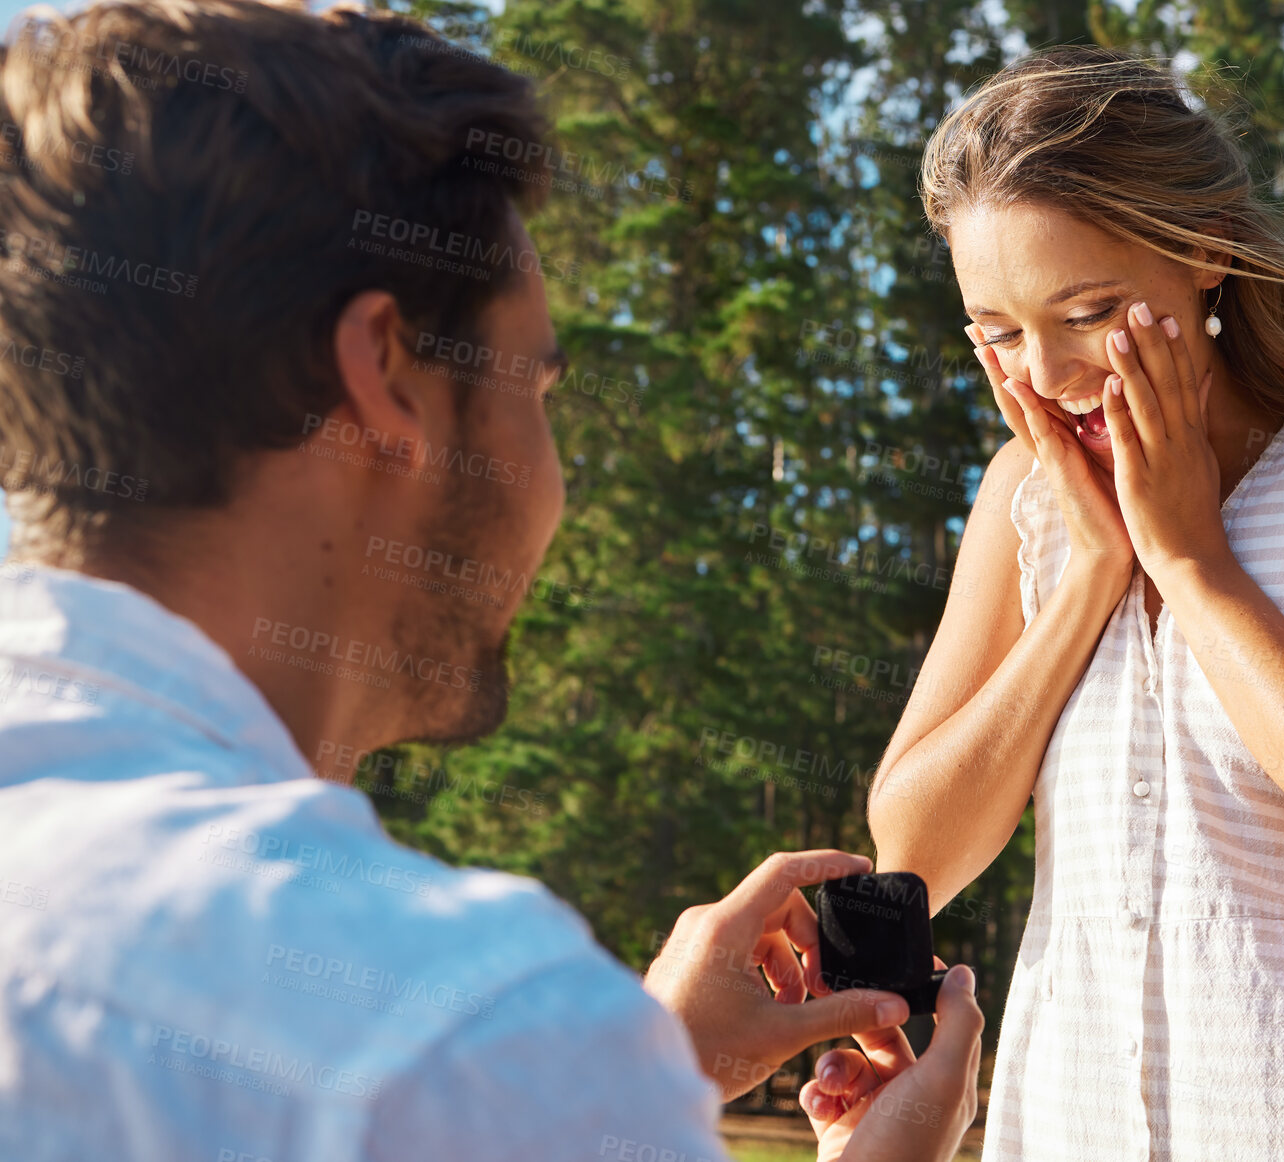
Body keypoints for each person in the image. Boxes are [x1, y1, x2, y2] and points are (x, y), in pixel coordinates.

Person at [0, 2, 980, 1159]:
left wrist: (636, 1073)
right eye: (535, 389)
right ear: (387, 377)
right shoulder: (454, 1026)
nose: (550, 477)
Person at [868, 46, 1284, 1161]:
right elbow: (912, 847)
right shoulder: (1025, 500)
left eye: (1086, 311)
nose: (1040, 373)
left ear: (1205, 253)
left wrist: (1189, 563)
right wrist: (1088, 575)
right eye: (994, 330)